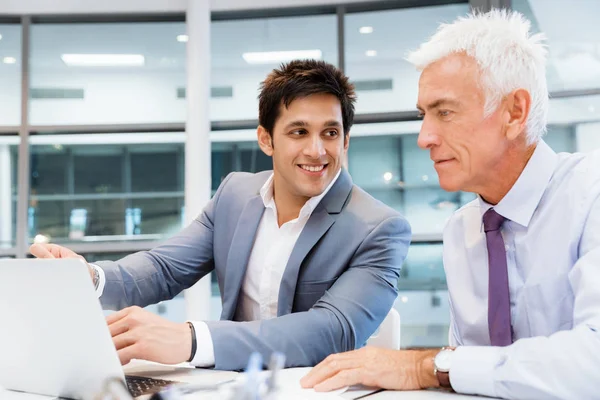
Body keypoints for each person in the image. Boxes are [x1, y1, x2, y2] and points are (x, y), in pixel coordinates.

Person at [30, 59, 411, 371]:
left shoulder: (379, 228)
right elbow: (164, 268)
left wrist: (191, 340)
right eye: (298, 132)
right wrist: (91, 276)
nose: (317, 150)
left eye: (330, 133)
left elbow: (334, 331)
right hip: (228, 386)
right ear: (266, 139)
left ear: (345, 140)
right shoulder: (235, 194)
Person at [301, 9, 600, 399]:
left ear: (514, 113)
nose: (424, 137)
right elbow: (467, 377)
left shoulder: (590, 195)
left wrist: (423, 366)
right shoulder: (462, 231)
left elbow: (593, 362)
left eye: (445, 112)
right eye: (425, 115)